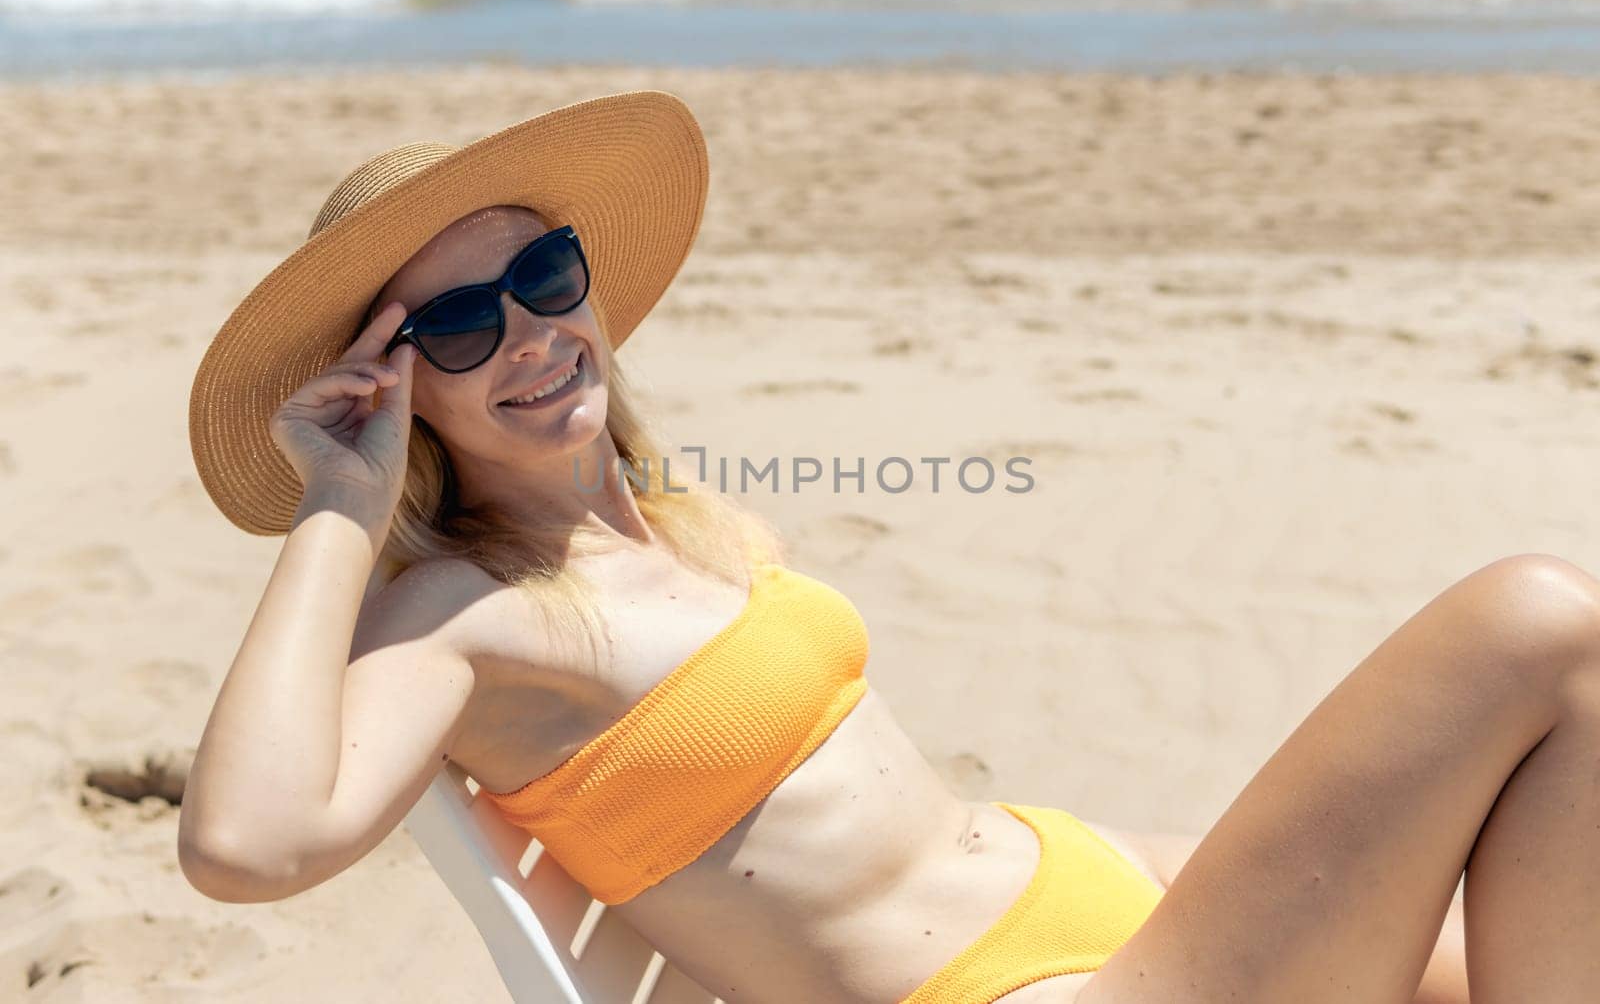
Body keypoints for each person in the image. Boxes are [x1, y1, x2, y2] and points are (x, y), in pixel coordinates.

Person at [175, 90, 1600, 1003]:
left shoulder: (677, 522)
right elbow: (243, 847)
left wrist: (1181, 865)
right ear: (399, 382)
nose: (531, 331)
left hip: (1096, 902)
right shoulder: (467, 615)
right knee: (1537, 621)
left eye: (544, 277)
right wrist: (340, 509)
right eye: (460, 326)